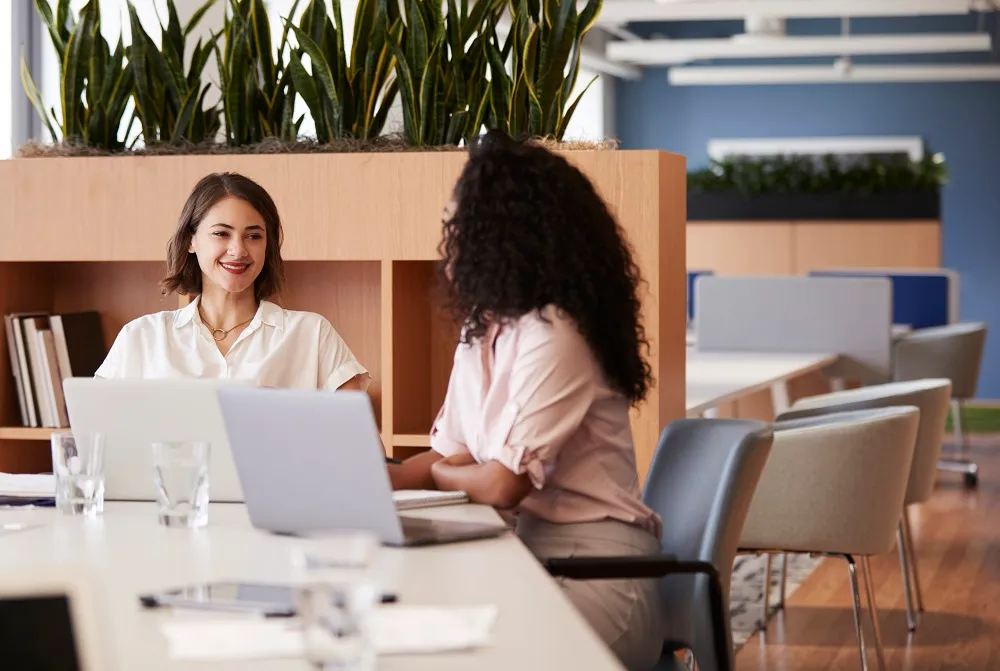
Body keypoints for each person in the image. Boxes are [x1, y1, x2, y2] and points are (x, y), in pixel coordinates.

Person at [388, 131, 665, 669]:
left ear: (506, 234)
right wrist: (375, 477)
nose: (448, 239)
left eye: (458, 224)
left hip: (600, 579)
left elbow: (499, 482)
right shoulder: (484, 327)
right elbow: (455, 452)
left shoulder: (556, 332)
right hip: (528, 558)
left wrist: (444, 475)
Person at [95, 172, 370, 392]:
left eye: (253, 236)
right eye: (221, 234)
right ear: (191, 240)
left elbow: (362, 452)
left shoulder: (312, 334)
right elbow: (98, 443)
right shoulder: (142, 338)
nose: (238, 250)